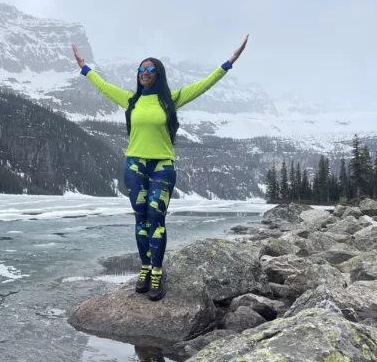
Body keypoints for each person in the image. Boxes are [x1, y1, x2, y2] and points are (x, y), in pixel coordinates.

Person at [71, 35, 249, 301]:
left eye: (150, 70)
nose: (144, 74)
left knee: (156, 218)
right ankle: (144, 267)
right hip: (135, 165)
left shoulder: (171, 99)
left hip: (162, 166)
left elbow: (203, 85)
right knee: (140, 219)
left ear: (158, 74)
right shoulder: (131, 100)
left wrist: (229, 62)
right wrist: (84, 68)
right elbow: (104, 87)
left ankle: (157, 271)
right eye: (141, 70)